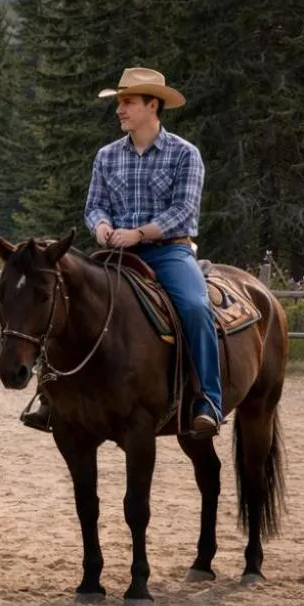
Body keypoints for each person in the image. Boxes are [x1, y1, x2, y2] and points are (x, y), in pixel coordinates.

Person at [20, 67, 222, 438]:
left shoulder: (185, 154)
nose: (120, 109)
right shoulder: (107, 156)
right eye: (119, 102)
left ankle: (207, 398)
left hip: (167, 252)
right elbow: (94, 205)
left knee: (195, 306)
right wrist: (101, 227)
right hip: (115, 253)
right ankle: (50, 396)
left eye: (128, 102)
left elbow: (183, 210)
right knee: (67, 298)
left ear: (152, 105)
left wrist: (139, 233)